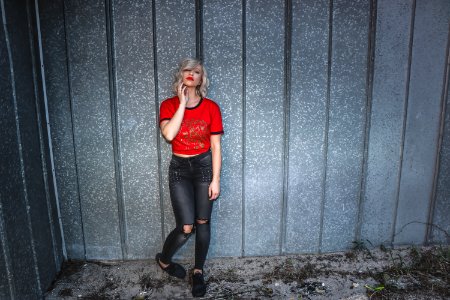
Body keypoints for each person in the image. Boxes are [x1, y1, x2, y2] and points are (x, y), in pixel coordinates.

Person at [155, 58, 223, 297]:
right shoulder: (168, 105)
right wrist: (182, 103)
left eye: (197, 71)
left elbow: (216, 146)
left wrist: (215, 179)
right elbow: (170, 134)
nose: (191, 73)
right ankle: (164, 260)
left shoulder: (212, 107)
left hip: (204, 166)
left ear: (202, 78)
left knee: (203, 222)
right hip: (179, 168)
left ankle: (198, 272)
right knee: (185, 227)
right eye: (187, 70)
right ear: (181, 75)